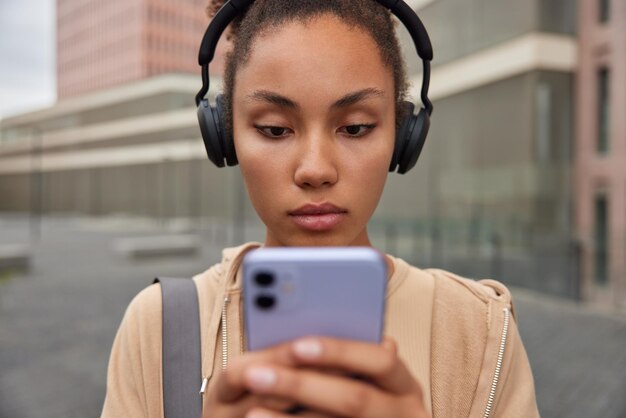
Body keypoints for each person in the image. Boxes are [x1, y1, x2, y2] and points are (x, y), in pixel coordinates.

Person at [101, 1, 540, 417]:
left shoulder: (481, 331)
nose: (315, 170)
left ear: (404, 136)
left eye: (355, 127)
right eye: (274, 129)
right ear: (225, 135)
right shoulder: (158, 328)